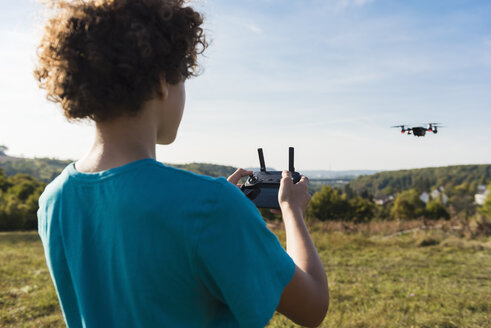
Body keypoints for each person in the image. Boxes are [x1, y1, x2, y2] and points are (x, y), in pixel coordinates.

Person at [34, 0, 329, 327]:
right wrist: (292, 210)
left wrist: (210, 211)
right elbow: (312, 307)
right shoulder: (213, 207)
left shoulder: (53, 201)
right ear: (162, 81)